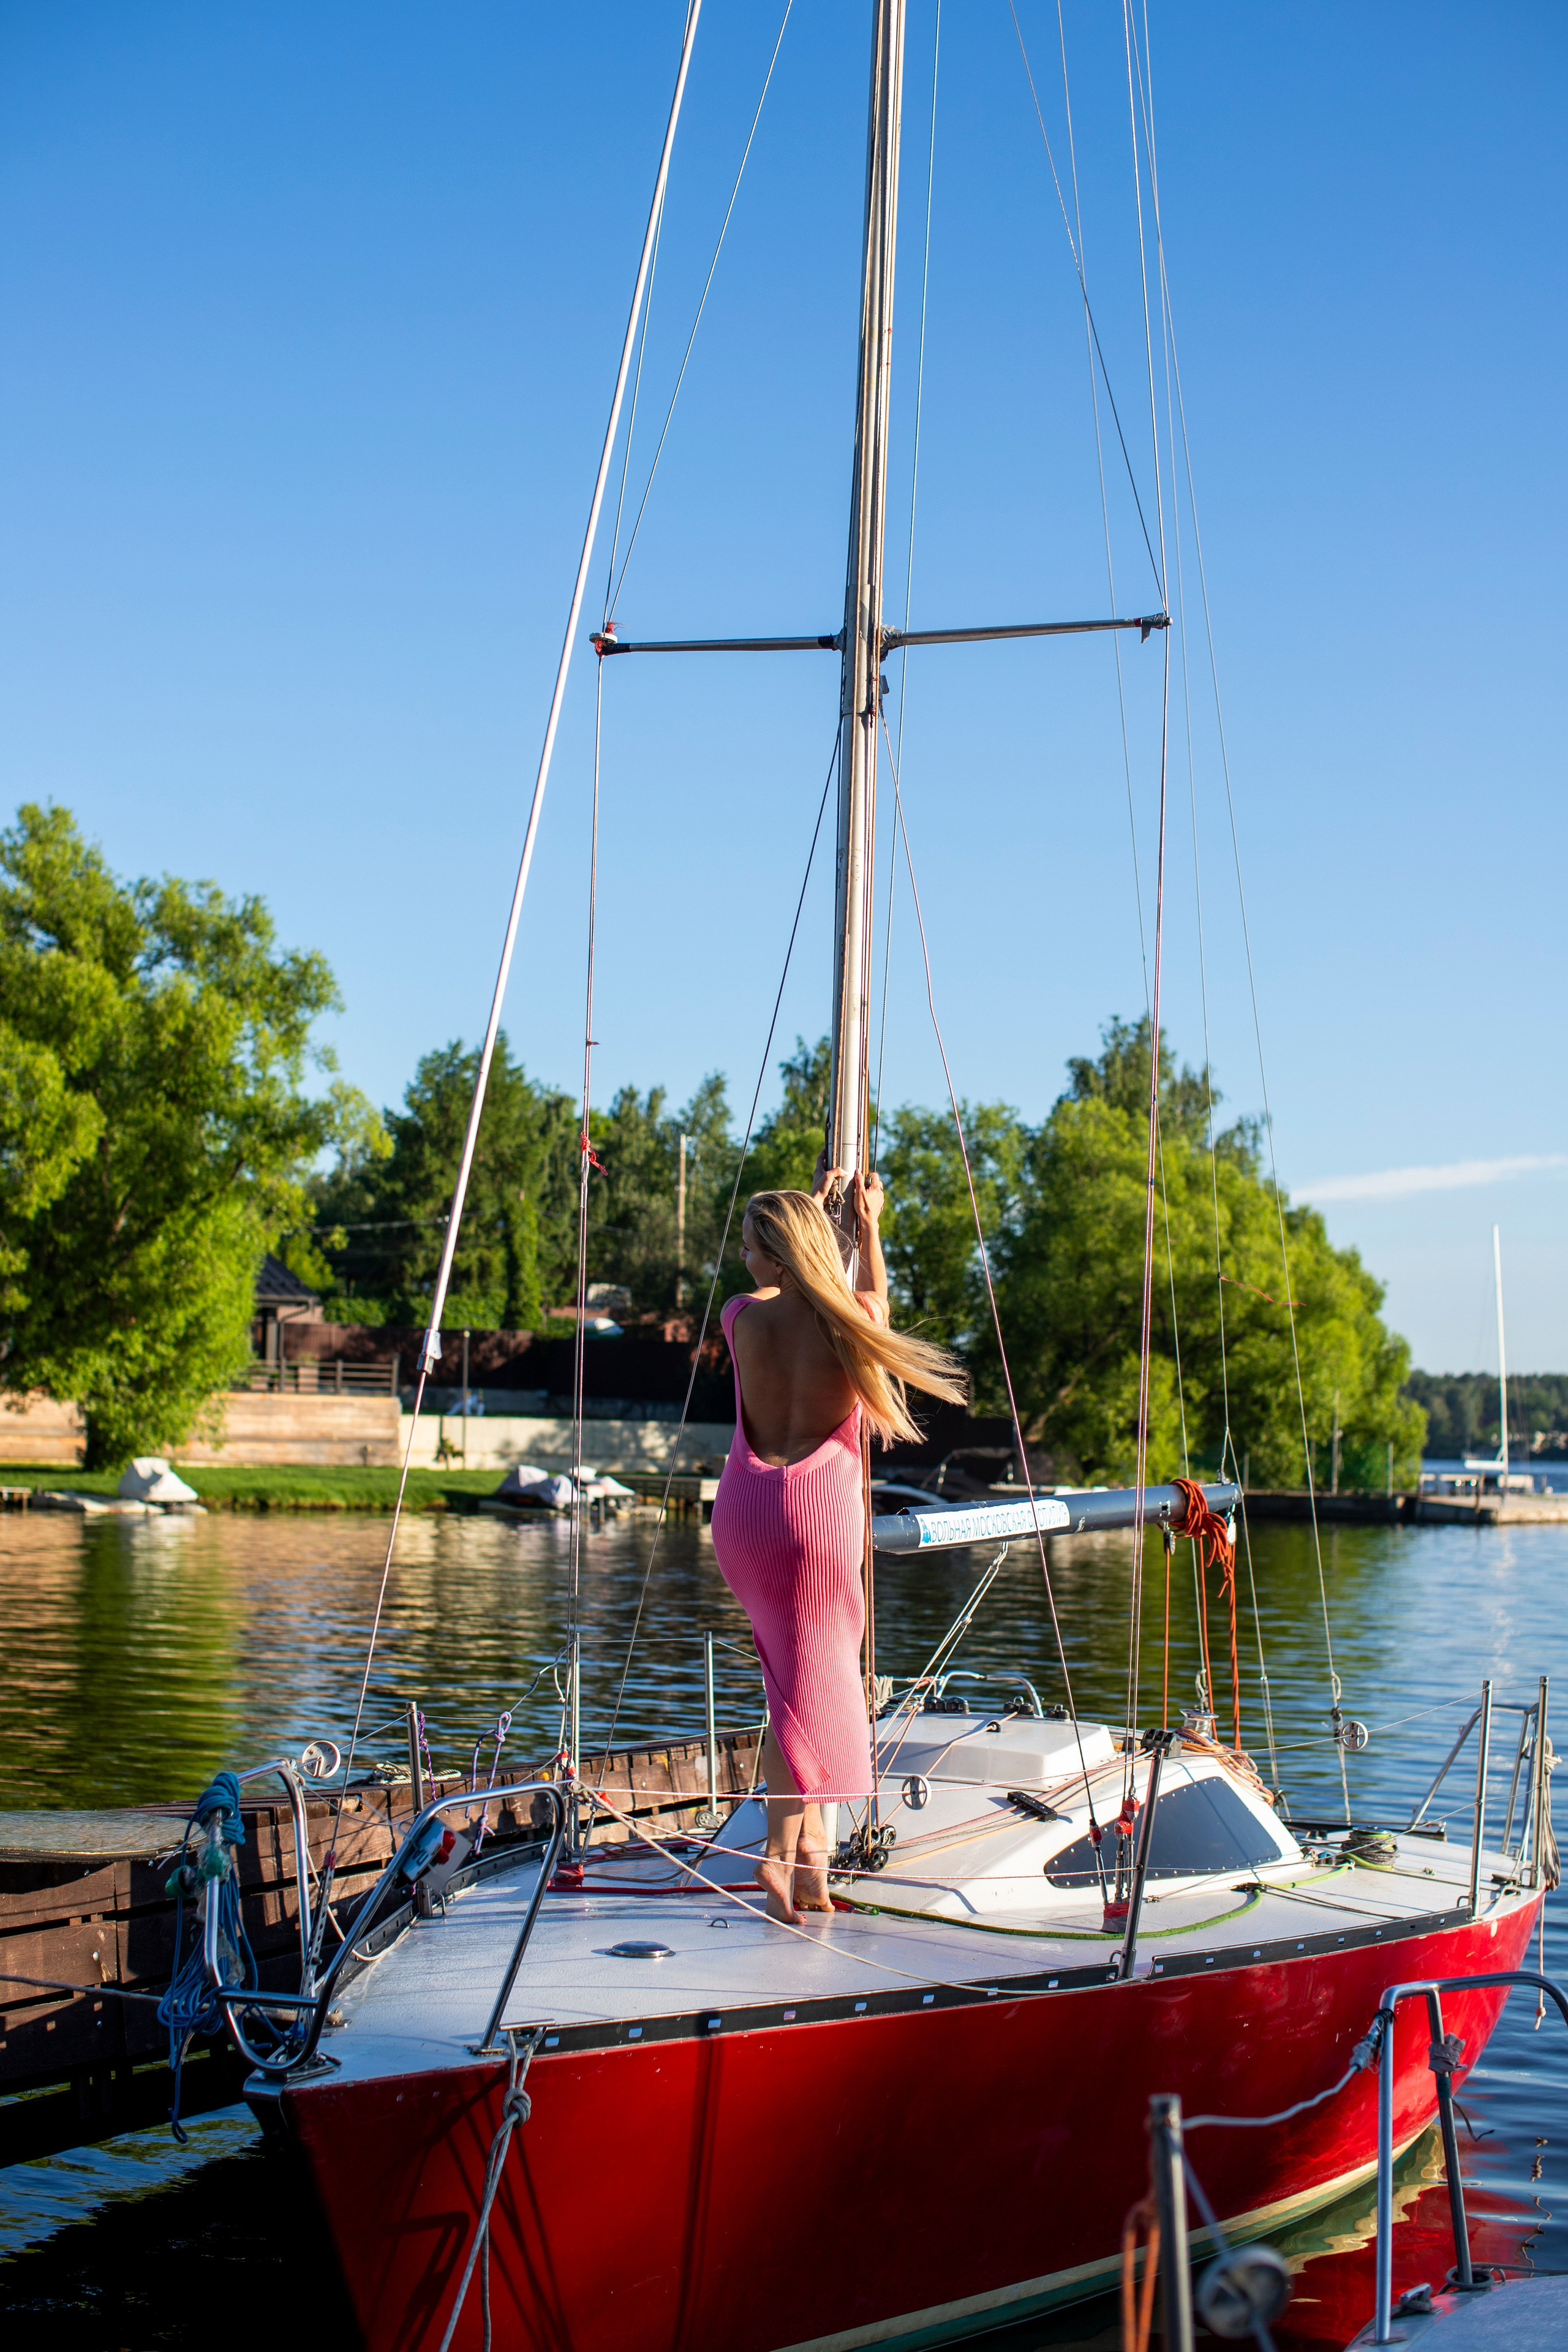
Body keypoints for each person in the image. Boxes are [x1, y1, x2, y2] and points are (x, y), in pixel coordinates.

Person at [710, 1159, 967, 1923]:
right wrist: (868, 1224)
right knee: (816, 1688)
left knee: (791, 1688)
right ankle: (777, 1857)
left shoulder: (741, 1317)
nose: (745, 1259)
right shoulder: (853, 1323)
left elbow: (765, 1287)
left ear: (776, 1254)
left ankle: (812, 1867)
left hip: (747, 1510)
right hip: (817, 1517)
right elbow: (874, 1298)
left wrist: (817, 1217)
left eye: (755, 1245)